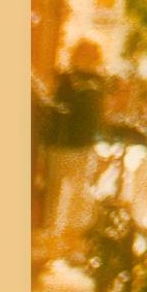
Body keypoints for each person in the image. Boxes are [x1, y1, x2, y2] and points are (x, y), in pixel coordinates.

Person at [34, 42, 110, 259]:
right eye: (82, 55)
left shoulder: (94, 83)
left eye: (88, 56)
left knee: (77, 193)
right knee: (56, 193)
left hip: (78, 146)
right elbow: (58, 111)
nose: (84, 60)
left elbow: (95, 118)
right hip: (62, 145)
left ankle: (71, 241)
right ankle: (54, 238)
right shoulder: (68, 81)